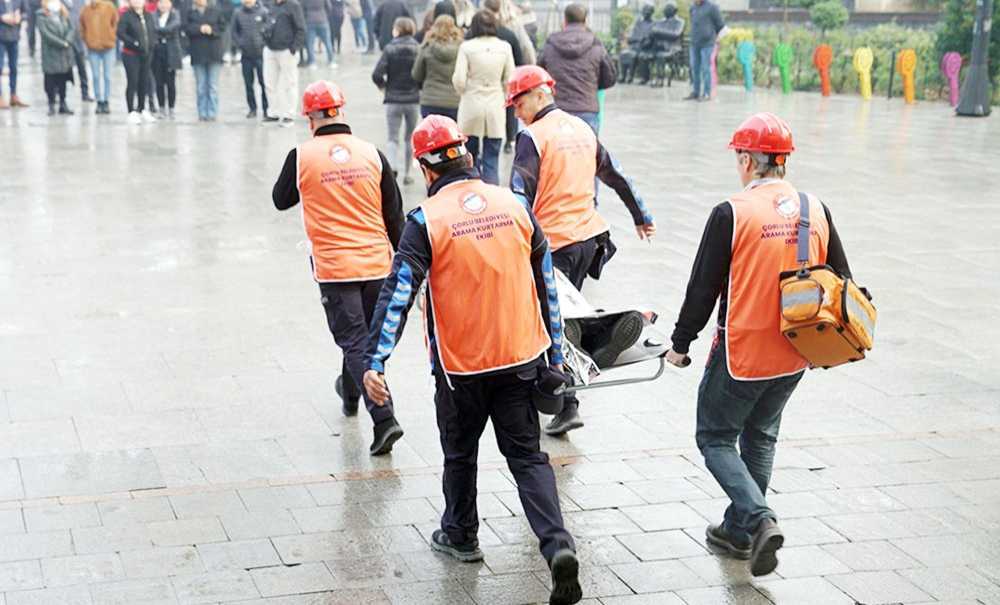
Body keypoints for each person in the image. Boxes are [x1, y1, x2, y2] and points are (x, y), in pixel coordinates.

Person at [362, 114, 582, 605]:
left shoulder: (425, 221)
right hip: (520, 359)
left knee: (460, 454)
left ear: (425, 168)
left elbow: (398, 294)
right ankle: (558, 545)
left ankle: (461, 535)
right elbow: (548, 288)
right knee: (527, 458)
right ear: (467, 155)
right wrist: (556, 355)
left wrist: (375, 361)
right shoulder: (516, 206)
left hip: (461, 370)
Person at [665, 112, 853, 577]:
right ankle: (740, 531)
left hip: (742, 352)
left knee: (714, 436)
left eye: (739, 156)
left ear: (749, 161)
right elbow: (843, 280)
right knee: (762, 435)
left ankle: (758, 516)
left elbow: (703, 288)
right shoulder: (815, 208)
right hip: (795, 351)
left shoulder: (733, 212)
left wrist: (680, 342)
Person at [507, 65, 656, 436]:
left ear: (541, 95)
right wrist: (641, 215)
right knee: (562, 315)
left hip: (552, 244)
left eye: (519, 102)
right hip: (590, 240)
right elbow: (616, 174)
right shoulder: (582, 129)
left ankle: (567, 400)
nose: (515, 111)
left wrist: (512, 241)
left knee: (548, 322)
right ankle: (595, 340)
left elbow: (518, 195)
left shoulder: (532, 137)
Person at [271, 80, 406, 456]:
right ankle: (350, 390)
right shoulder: (372, 154)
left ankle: (384, 418)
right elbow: (395, 218)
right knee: (364, 342)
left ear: (309, 119)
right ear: (342, 112)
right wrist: (411, 268)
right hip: (378, 265)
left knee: (354, 341)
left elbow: (280, 200)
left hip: (335, 269)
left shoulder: (302, 156)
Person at [452, 10, 512, 185]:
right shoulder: (505, 47)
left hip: (471, 105)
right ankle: (492, 196)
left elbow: (460, 80)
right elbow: (510, 80)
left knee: (468, 159)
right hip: (495, 106)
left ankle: (472, 193)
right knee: (492, 158)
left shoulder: (466, 47)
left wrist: (464, 90)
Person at [536, 2, 615, 135]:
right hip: (587, 109)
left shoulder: (550, 44)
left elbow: (538, 75)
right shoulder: (596, 44)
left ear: (565, 21)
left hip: (556, 109)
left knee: (556, 153)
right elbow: (609, 78)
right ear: (585, 21)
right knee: (587, 153)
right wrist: (591, 84)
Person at [372, 16, 419, 185]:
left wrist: (384, 88)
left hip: (393, 99)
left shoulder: (389, 48)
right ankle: (408, 173)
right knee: (409, 138)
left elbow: (377, 74)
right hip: (413, 99)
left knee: (392, 137)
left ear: (397, 30)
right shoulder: (417, 48)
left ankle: (392, 167)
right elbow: (421, 73)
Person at [262, 0, 304, 125]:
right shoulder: (271, 5)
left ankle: (289, 114)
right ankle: (273, 113)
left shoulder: (293, 6)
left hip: (287, 51)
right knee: (270, 83)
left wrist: (294, 48)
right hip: (270, 49)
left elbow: (301, 28)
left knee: (289, 84)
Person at [411, 13, 460, 120]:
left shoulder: (426, 47)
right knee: (451, 134)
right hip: (454, 101)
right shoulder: (461, 49)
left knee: (431, 134)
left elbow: (416, 75)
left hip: (430, 100)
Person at [185, 0, 225, 121]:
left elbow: (222, 28)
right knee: (201, 86)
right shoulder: (190, 12)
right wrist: (199, 28)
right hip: (198, 53)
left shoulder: (216, 11)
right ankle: (202, 113)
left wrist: (211, 30)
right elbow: (186, 29)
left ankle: (212, 113)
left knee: (213, 86)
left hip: (214, 53)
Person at [117, 0, 155, 122]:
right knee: (132, 81)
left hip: (146, 54)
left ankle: (142, 108)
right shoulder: (126, 16)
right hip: (131, 54)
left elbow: (152, 32)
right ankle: (131, 111)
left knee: (144, 82)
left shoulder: (148, 15)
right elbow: (120, 33)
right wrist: (134, 43)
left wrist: (152, 45)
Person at [232, 0, 268, 118]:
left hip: (261, 55)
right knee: (248, 84)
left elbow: (268, 29)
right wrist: (240, 44)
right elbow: (234, 32)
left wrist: (263, 44)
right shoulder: (237, 13)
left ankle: (266, 109)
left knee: (264, 83)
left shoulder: (263, 12)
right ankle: (252, 108)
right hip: (246, 55)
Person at [79, 0, 117, 113]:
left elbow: (115, 22)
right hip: (93, 48)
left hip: (108, 47)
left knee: (107, 76)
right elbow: (82, 27)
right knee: (95, 76)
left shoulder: (109, 7)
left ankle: (106, 100)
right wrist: (87, 40)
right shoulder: (85, 10)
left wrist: (111, 36)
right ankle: (99, 100)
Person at [38, 0, 75, 114]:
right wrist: (62, 43)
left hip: (64, 54)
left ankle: (63, 103)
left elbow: (71, 28)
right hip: (50, 53)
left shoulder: (63, 13)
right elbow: (46, 34)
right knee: (50, 80)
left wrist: (68, 41)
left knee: (62, 79)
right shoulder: (41, 16)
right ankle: (51, 104)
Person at [686, 0, 724, 101]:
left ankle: (707, 93)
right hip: (694, 43)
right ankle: (696, 92)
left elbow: (720, 24)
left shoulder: (712, 7)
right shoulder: (692, 7)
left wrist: (716, 38)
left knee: (706, 68)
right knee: (694, 68)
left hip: (707, 44)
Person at [151, 0, 180, 118]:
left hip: (171, 52)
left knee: (170, 82)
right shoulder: (153, 15)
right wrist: (163, 32)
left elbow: (172, 28)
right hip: (157, 51)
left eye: (166, 2)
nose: (163, 5)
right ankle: (161, 107)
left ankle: (172, 108)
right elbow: (152, 28)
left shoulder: (175, 14)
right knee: (159, 82)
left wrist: (160, 31)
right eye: (161, 2)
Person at [0, 0, 29, 108]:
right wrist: (2, 17)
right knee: (0, 67)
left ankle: (13, 95)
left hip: (14, 36)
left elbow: (26, 12)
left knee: (14, 67)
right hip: (1, 37)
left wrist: (20, 17)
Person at [63, 0, 93, 103]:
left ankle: (85, 93)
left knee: (82, 67)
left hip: (79, 39)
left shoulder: (80, 2)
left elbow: (86, 18)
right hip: (64, 38)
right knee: (64, 68)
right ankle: (61, 95)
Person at [618, 3, 653, 84]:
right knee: (624, 53)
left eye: (647, 11)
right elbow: (631, 38)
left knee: (639, 55)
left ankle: (642, 78)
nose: (645, 12)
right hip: (634, 47)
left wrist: (640, 40)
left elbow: (650, 39)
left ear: (651, 12)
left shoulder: (654, 24)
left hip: (646, 49)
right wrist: (640, 39)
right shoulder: (638, 23)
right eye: (644, 10)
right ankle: (623, 76)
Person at [301, 0, 333, 66]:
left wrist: (306, 18)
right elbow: (329, 7)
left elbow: (302, 9)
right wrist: (325, 15)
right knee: (327, 42)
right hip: (322, 20)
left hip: (310, 21)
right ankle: (331, 61)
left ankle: (312, 62)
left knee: (310, 43)